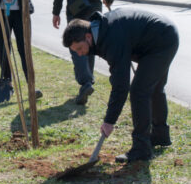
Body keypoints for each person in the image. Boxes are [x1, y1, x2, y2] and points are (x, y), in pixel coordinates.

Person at [62, 8, 179, 162]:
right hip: (161, 33)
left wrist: (109, 121)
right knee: (154, 88)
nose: (80, 54)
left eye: (79, 48)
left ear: (88, 37)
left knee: (139, 91)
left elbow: (121, 85)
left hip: (162, 40)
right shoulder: (102, 30)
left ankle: (141, 149)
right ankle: (160, 136)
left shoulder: (110, 39)